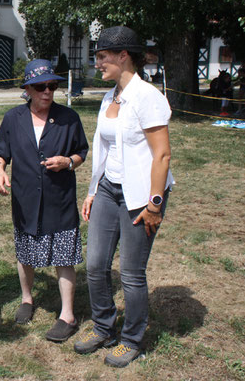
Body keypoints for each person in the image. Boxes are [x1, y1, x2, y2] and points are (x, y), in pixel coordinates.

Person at [74, 26, 173, 368]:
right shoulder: (109, 97)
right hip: (108, 189)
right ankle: (104, 326)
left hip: (141, 197)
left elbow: (162, 156)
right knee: (95, 265)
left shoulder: (147, 97)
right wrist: (91, 191)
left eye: (102, 56)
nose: (98, 63)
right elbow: (102, 150)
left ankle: (131, 338)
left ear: (123, 56)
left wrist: (154, 205)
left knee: (131, 273)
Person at [0, 59, 89, 342]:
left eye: (52, 86)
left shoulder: (69, 118)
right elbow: (1, 153)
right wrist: (0, 169)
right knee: (25, 253)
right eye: (40, 86)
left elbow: (82, 151)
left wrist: (68, 162)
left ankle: (67, 315)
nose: (47, 91)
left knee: (64, 255)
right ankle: (26, 299)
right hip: (25, 199)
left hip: (59, 199)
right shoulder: (13, 119)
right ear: (28, 89)